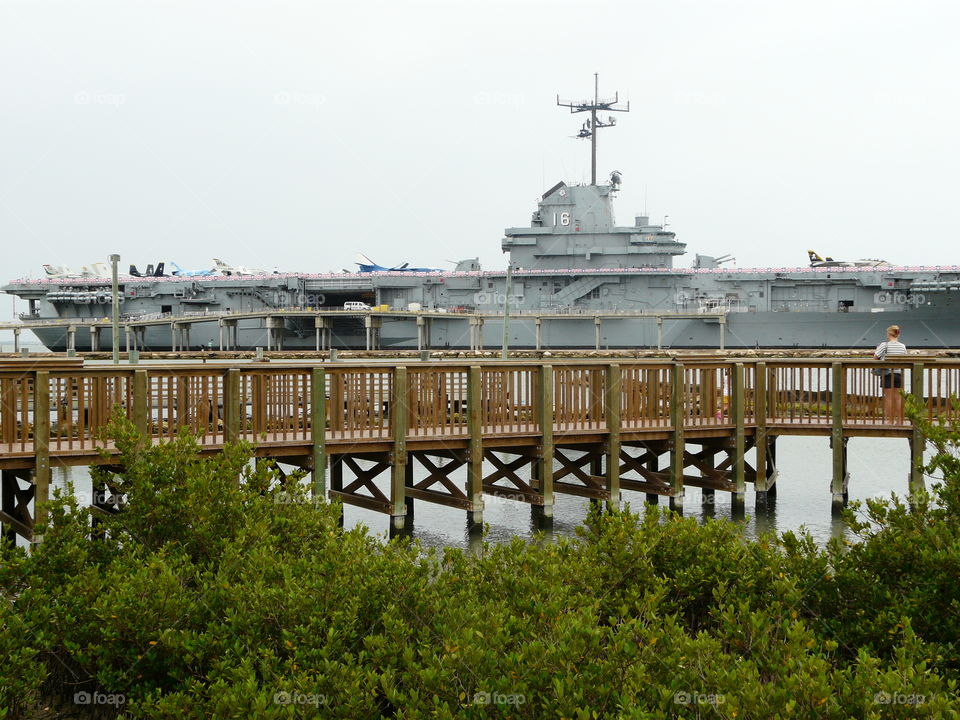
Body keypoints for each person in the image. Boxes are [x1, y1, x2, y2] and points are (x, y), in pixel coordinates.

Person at [874, 325, 907, 423]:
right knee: (898, 398)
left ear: (889, 334)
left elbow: (875, 357)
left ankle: (890, 420)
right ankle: (900, 420)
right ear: (898, 334)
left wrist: (877, 350)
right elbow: (905, 358)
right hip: (898, 374)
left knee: (888, 398)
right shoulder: (902, 346)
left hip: (887, 374)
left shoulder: (884, 345)